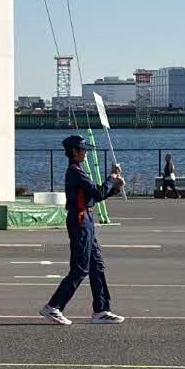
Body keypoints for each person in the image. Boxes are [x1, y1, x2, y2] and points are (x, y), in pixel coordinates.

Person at [40, 135, 126, 326]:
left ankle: (101, 309)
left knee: (97, 265)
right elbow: (95, 193)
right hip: (79, 220)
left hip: (86, 218)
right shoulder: (74, 172)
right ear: (74, 152)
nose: (86, 152)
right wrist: (112, 178)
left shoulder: (78, 171)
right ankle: (54, 306)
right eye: (83, 149)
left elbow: (94, 198)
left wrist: (114, 188)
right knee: (80, 268)